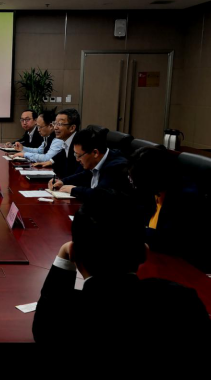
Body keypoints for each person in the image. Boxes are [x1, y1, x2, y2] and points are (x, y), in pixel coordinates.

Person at [32, 189, 211, 349]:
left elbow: (44, 325)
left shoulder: (63, 317)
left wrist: (64, 258)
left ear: (73, 253)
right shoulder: (181, 300)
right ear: (144, 253)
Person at [129, 146, 211, 272]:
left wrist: (134, 231)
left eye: (138, 182)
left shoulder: (186, 197)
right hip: (153, 256)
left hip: (184, 266)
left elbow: (169, 239)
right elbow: (135, 214)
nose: (135, 186)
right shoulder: (152, 190)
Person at [48, 127, 129, 200]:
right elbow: (84, 175)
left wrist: (73, 190)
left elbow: (100, 194)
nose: (77, 160)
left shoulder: (116, 166)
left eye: (79, 156)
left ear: (95, 153)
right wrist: (62, 181)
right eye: (75, 155)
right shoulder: (94, 162)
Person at [35, 108, 81, 178]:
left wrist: (62, 182)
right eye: (55, 123)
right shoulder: (66, 142)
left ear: (72, 128)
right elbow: (62, 153)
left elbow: (79, 173)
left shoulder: (79, 144)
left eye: (60, 124)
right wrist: (51, 161)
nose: (55, 128)